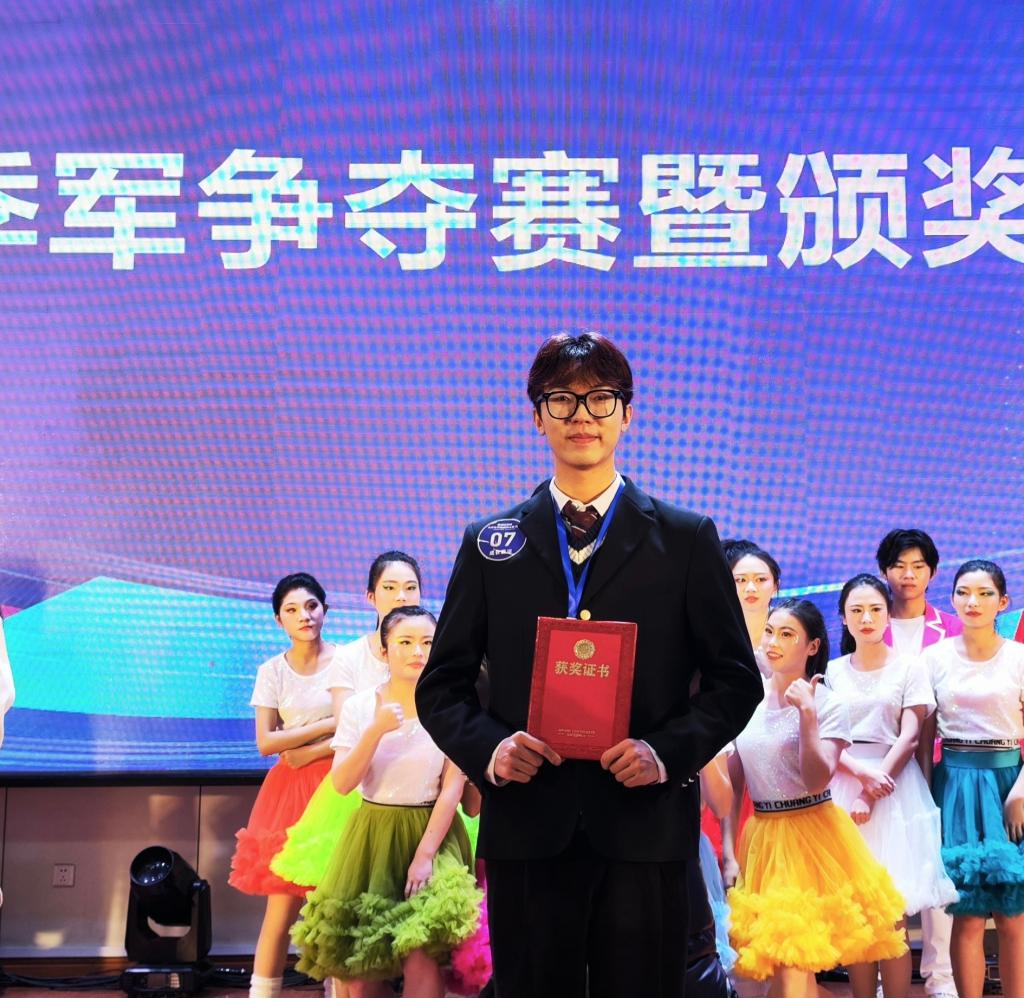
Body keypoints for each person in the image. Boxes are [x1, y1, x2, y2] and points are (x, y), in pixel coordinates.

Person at [415, 331, 763, 998]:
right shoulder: (490, 542)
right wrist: (492, 749)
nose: (582, 416)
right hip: (528, 824)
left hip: (645, 824)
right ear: (536, 416)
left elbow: (735, 680)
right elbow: (442, 686)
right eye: (562, 400)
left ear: (627, 414)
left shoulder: (685, 538)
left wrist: (665, 752)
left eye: (600, 398)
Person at [292, 606, 481, 998]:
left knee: (423, 951)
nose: (417, 651)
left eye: (427, 642)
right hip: (372, 837)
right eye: (405, 642)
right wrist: (375, 731)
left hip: (432, 832)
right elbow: (343, 783)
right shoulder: (361, 707)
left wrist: (424, 856)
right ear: (384, 650)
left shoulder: (451, 708)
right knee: (363, 966)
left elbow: (451, 789)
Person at [727, 599, 906, 997]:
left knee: (794, 961)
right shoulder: (747, 698)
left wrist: (807, 714)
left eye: (786, 634)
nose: (773, 642)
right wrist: (727, 848)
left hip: (810, 835)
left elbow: (816, 779)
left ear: (812, 646)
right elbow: (737, 782)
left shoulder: (828, 703)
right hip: (762, 837)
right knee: (782, 970)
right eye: (770, 631)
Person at [826, 575, 958, 998]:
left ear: (887, 615)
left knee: (890, 913)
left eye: (875, 609)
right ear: (843, 618)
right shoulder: (832, 671)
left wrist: (871, 789)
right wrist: (858, 777)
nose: (866, 618)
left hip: (895, 788)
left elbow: (910, 736)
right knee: (856, 913)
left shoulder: (909, 667)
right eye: (856, 610)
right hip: (844, 787)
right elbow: (827, 737)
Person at [272, 551, 425, 889]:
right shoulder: (349, 657)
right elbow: (347, 732)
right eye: (390, 587)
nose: (401, 596)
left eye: (410, 587)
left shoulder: (433, 653)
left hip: (426, 791)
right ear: (371, 597)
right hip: (362, 794)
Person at [229, 573, 339, 998]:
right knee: (281, 909)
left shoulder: (346, 661)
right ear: (279, 620)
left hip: (339, 785)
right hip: (289, 790)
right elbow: (265, 742)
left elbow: (356, 726)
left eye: (311, 606)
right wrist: (327, 726)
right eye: (292, 610)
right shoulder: (271, 671)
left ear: (325, 609)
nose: (304, 616)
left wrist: (310, 739)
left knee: (335, 909)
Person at [920, 560, 1024, 998]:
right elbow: (924, 737)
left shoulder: (1019, 657)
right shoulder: (934, 658)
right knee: (966, 915)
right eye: (963, 592)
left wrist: (1020, 793)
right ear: (952, 599)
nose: (972, 602)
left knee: (1013, 918)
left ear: (1003, 602)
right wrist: (926, 800)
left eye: (984, 594)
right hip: (956, 788)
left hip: (1010, 786)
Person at [876, 528, 962, 998]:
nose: (908, 575)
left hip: (941, 761)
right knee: (883, 865)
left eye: (918, 566)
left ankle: (940, 976)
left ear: (932, 572)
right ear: (884, 571)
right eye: (898, 566)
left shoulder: (952, 627)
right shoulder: (868, 619)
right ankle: (881, 973)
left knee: (935, 867)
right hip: (882, 766)